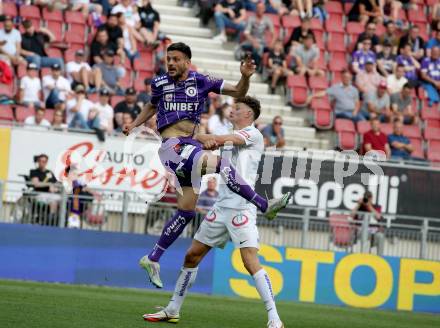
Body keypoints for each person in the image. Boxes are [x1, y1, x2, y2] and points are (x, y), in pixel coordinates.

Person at [123, 42, 291, 289]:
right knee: (222, 163)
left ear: (187, 62)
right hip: (173, 148)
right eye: (168, 58)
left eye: (176, 59)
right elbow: (151, 105)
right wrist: (135, 124)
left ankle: (152, 258)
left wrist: (245, 77)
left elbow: (236, 90)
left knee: (187, 211)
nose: (170, 63)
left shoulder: (200, 81)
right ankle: (264, 204)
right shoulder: (159, 83)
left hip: (190, 148)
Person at [144, 96, 285, 328]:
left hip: (242, 208)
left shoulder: (253, 134)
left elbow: (224, 139)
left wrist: (204, 138)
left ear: (248, 115)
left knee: (250, 261)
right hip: (220, 207)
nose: (233, 110)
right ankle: (172, 309)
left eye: (237, 108)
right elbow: (209, 144)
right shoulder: (229, 135)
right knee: (192, 255)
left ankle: (274, 319)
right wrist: (199, 140)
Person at [240, 2, 274, 70]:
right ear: (256, 9)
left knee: (260, 47)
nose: (260, 10)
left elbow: (273, 32)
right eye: (258, 8)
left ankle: (255, 64)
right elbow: (246, 33)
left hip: (262, 42)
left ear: (264, 9)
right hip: (250, 40)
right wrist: (253, 41)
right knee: (253, 47)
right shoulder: (251, 18)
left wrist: (272, 42)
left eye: (261, 8)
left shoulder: (267, 19)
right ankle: (255, 64)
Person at [29, 154, 61, 225]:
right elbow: (36, 184)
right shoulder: (34, 172)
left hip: (51, 194)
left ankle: (63, 221)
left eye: (44, 161)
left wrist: (55, 188)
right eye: (40, 161)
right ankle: (50, 222)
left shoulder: (49, 173)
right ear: (38, 162)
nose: (42, 163)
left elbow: (56, 183)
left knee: (64, 200)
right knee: (53, 202)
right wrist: (49, 185)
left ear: (46, 162)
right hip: (40, 194)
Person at [351, 191, 385, 256]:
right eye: (366, 198)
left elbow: (378, 217)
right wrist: (358, 204)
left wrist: (369, 206)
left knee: (381, 236)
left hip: (374, 233)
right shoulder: (360, 207)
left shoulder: (376, 207)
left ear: (372, 198)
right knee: (365, 233)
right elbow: (351, 216)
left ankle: (380, 258)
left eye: (369, 198)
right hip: (361, 232)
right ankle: (365, 257)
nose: (367, 200)